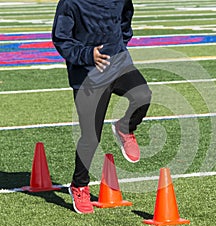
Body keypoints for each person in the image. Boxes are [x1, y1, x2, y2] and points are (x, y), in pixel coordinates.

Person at [52, 0, 152, 214]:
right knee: (91, 138)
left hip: (118, 63)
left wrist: (120, 46)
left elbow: (126, 18)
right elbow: (61, 38)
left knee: (142, 95)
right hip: (87, 76)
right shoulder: (70, 3)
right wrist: (88, 55)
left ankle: (125, 127)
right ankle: (79, 186)